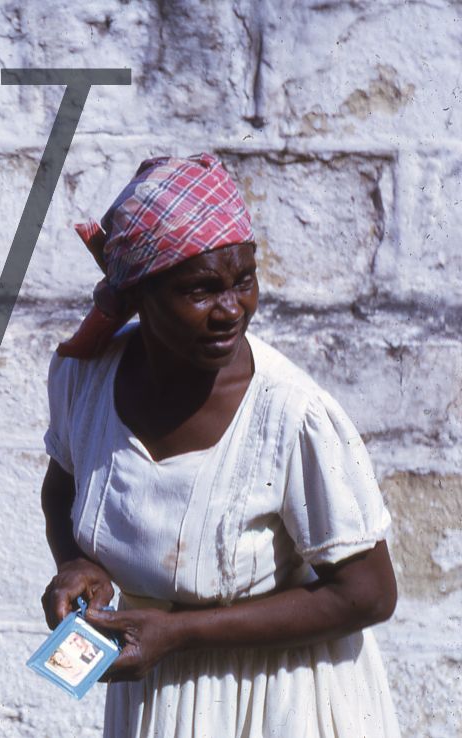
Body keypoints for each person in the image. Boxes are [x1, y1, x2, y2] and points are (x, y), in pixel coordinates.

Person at [40, 154, 400, 738]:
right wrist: (76, 564)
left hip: (283, 701)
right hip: (156, 699)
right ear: (139, 294)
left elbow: (370, 594)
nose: (232, 310)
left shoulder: (292, 413)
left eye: (244, 281)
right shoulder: (86, 378)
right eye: (200, 289)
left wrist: (178, 634)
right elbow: (61, 490)